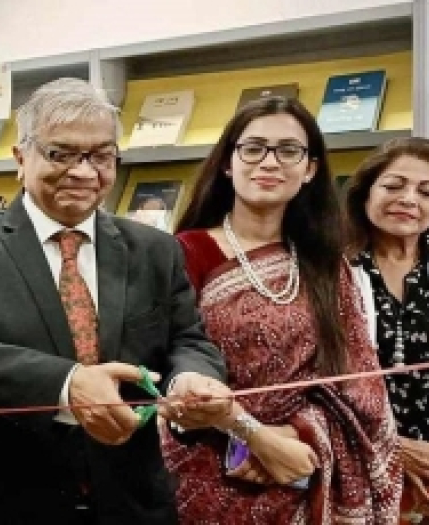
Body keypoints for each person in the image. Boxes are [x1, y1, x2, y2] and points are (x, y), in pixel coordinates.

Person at [0, 78, 242, 525]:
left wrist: (191, 378)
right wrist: (68, 383)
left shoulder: (155, 249)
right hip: (4, 500)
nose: (84, 172)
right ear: (21, 158)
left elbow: (187, 338)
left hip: (132, 500)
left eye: (101, 156)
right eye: (61, 154)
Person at [162, 96, 403, 523]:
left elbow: (359, 386)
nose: (269, 162)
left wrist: (288, 437)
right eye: (253, 148)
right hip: (201, 469)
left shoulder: (327, 266)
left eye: (288, 150)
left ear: (310, 169)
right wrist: (247, 434)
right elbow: (165, 365)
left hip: (298, 470)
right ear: (228, 162)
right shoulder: (184, 253)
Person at [344, 137, 429, 505]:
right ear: (365, 193)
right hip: (354, 467)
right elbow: (316, 383)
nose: (409, 199)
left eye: (426, 192)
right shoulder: (328, 272)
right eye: (393, 186)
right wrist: (391, 449)